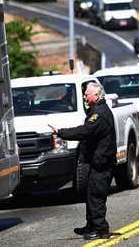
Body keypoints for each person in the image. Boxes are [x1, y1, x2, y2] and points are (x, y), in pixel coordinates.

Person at [53, 82, 116, 240]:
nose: (85, 97)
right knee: (90, 194)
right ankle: (91, 226)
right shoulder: (96, 111)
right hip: (96, 162)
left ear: (96, 95)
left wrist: (61, 132)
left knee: (96, 195)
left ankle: (101, 229)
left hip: (102, 163)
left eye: (87, 94)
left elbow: (84, 131)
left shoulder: (99, 114)